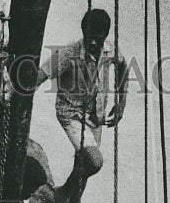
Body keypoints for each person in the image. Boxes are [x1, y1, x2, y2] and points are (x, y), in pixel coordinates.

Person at [37, 8, 128, 156]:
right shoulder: (68, 53)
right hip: (72, 115)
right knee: (93, 159)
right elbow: (40, 75)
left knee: (85, 162)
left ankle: (75, 179)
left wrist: (122, 103)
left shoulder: (110, 50)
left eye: (98, 38)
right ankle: (74, 178)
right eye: (89, 37)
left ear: (105, 35)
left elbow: (122, 65)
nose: (92, 43)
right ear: (83, 32)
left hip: (95, 117)